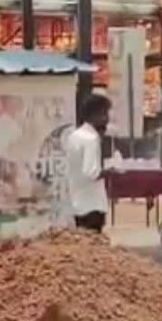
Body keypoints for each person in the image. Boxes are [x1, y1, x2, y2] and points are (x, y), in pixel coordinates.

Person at [63, 94, 112, 233]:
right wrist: (110, 172)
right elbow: (92, 172)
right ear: (95, 114)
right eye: (104, 113)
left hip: (77, 202)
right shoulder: (91, 139)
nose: (107, 119)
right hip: (93, 205)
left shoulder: (74, 136)